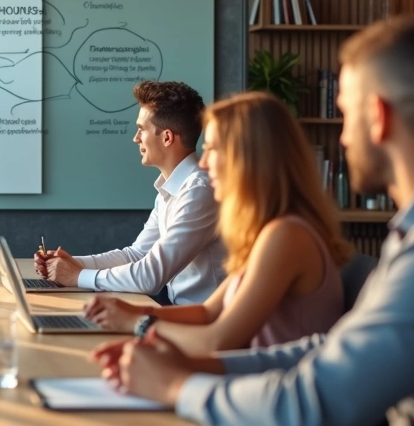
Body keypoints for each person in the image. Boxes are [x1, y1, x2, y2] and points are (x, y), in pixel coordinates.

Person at [95, 18, 414, 425]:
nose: (342, 136)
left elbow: (315, 401)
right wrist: (189, 364)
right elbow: (329, 351)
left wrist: (177, 384)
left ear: (378, 117)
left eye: (345, 113)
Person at [83, 92, 349, 354]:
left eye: (212, 149)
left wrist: (137, 324)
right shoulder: (265, 231)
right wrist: (133, 312)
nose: (205, 163)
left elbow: (218, 342)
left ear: (248, 158)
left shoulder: (287, 236)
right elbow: (208, 312)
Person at [35, 81, 226, 305]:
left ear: (166, 137)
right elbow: (136, 255)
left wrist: (77, 276)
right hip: (181, 315)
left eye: (141, 129)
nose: (136, 138)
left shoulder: (199, 192)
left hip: (208, 326)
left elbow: (150, 277)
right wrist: (69, 264)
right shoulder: (171, 187)